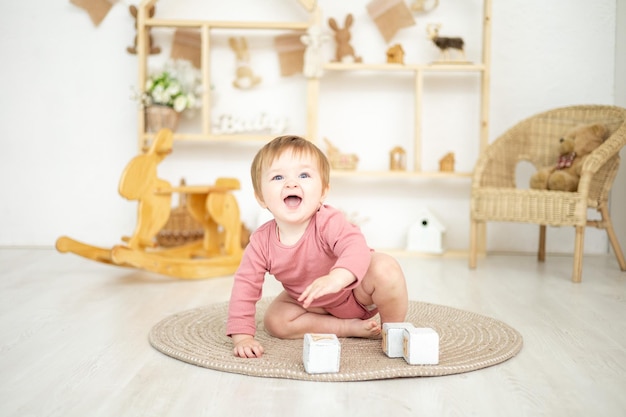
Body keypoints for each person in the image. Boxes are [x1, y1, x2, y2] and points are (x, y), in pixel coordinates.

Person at [226, 135, 408, 358]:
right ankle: (347, 328)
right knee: (275, 320)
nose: (291, 183)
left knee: (385, 268)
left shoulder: (327, 221)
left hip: (355, 293)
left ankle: (395, 331)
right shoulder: (261, 242)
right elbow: (245, 286)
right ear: (261, 198)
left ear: (322, 192)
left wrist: (337, 278)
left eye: (304, 175)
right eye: (278, 177)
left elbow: (355, 246)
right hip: (310, 302)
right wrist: (242, 336)